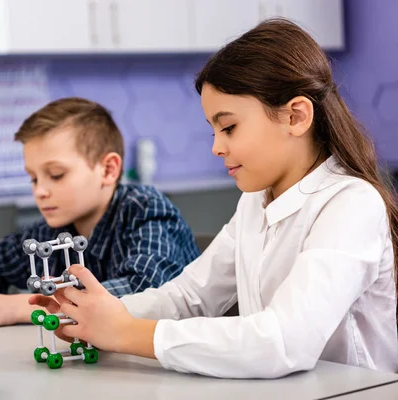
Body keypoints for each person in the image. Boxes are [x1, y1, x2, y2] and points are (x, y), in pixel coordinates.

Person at [30, 19, 398, 378]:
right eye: (213, 131)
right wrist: (100, 314)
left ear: (296, 116)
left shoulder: (352, 203)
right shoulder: (257, 201)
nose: (217, 147)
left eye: (229, 127)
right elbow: (190, 296)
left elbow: (285, 341)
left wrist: (125, 332)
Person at [0, 97, 200, 328]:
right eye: (33, 178)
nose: (40, 191)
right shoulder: (54, 229)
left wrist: (21, 307)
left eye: (56, 175)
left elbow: (147, 295)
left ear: (108, 170)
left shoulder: (147, 209)